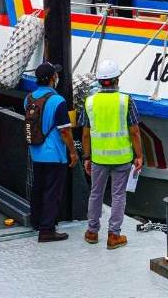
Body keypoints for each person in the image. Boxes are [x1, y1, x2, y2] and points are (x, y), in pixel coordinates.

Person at [81, 59, 143, 249]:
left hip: (99, 158)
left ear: (99, 81)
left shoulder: (90, 102)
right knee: (118, 196)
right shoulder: (126, 101)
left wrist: (87, 157)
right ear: (117, 79)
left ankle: (92, 232)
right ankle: (114, 236)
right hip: (122, 158)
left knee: (95, 194)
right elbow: (134, 131)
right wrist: (139, 156)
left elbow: (85, 133)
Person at [27, 61, 78, 243]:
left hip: (35, 151)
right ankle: (47, 230)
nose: (57, 77)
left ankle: (36, 221)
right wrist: (73, 152)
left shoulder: (29, 98)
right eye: (55, 74)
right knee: (52, 192)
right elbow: (65, 130)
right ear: (51, 79)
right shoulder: (58, 101)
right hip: (54, 154)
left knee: (38, 188)